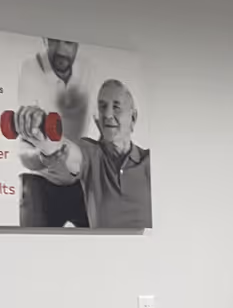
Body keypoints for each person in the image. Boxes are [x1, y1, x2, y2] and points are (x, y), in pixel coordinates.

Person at [12, 78, 152, 230]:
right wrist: (44, 134)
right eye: (102, 107)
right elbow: (67, 153)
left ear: (133, 118)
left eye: (116, 107)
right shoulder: (91, 153)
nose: (107, 114)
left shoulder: (150, 161)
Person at [10, 39, 98, 228]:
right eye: (54, 41)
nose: (61, 50)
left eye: (67, 42)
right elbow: (27, 147)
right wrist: (46, 155)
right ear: (45, 39)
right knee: (33, 250)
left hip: (79, 179)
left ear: (78, 44)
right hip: (41, 179)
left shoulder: (89, 69)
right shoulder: (31, 69)